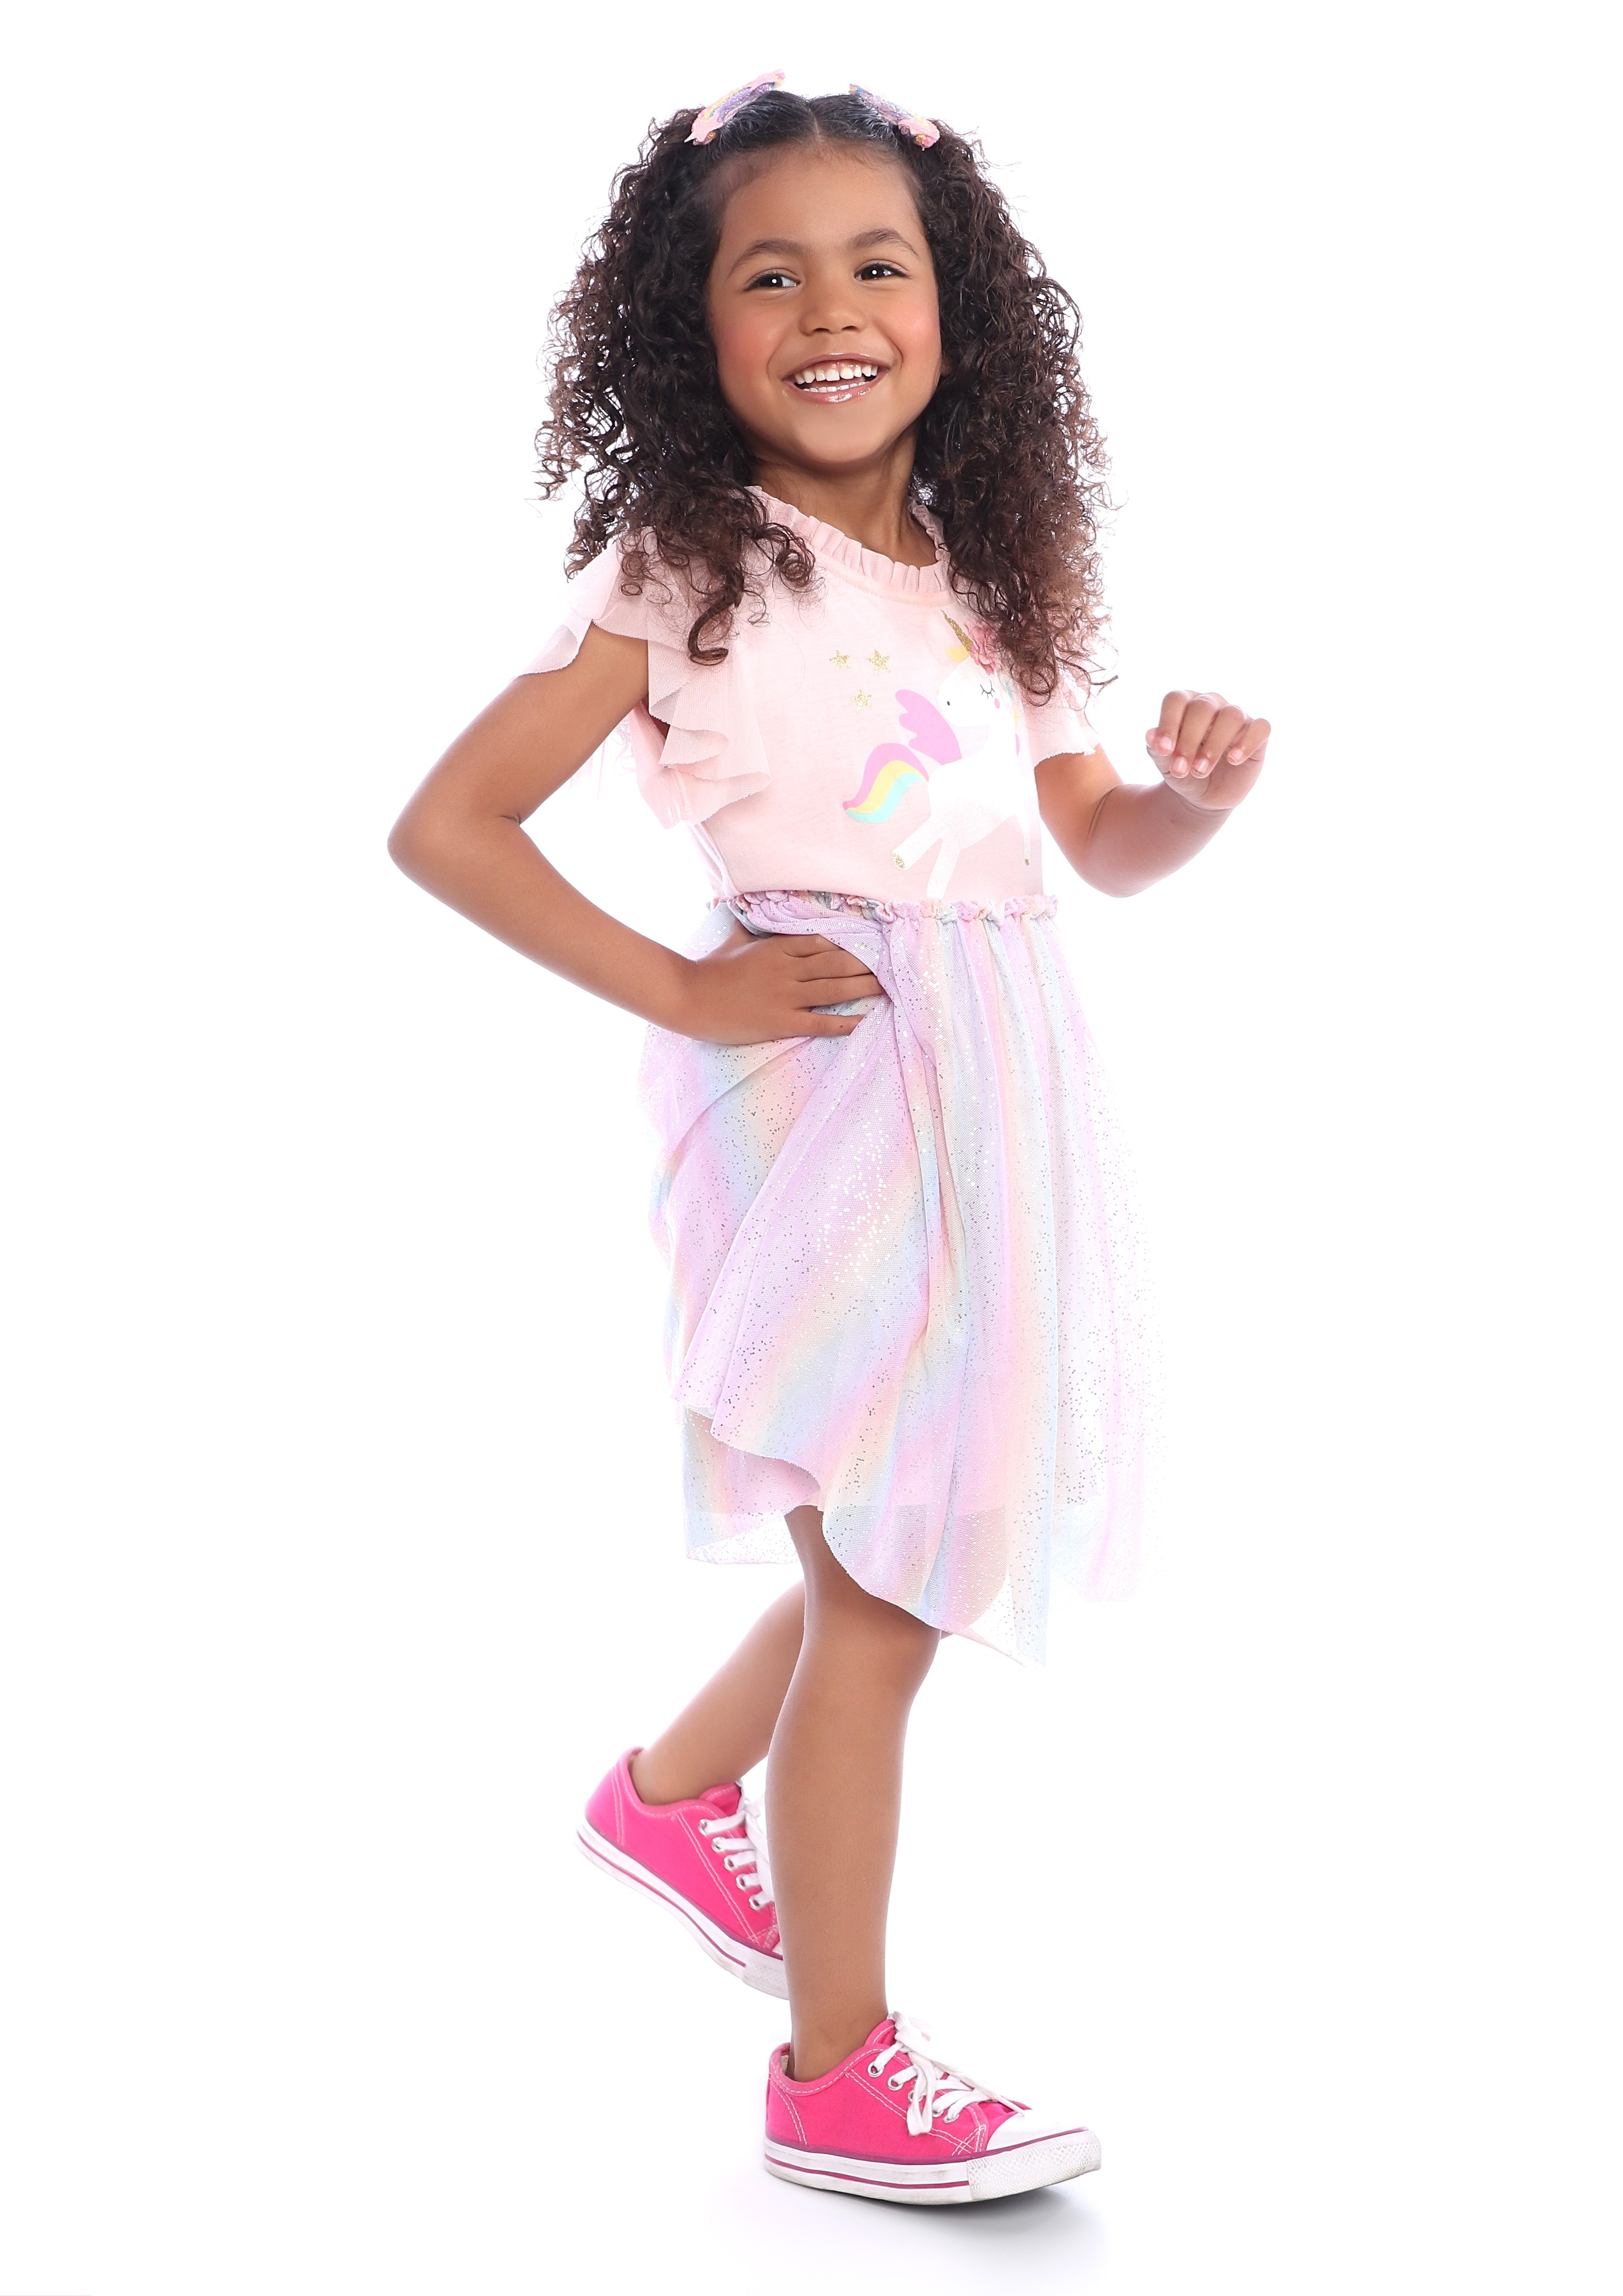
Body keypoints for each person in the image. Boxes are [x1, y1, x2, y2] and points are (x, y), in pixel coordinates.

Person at [389, 76, 1269, 2206]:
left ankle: (669, 1793)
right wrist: (684, 985)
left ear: (956, 309)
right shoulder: (682, 567)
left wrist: (1188, 804)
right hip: (819, 1081)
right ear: (688, 330)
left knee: (915, 1512)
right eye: (767, 276)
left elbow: (1089, 845)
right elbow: (448, 824)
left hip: (1002, 1077)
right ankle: (834, 2068)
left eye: (876, 265)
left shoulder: (994, 585)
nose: (829, 310)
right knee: (878, 1581)